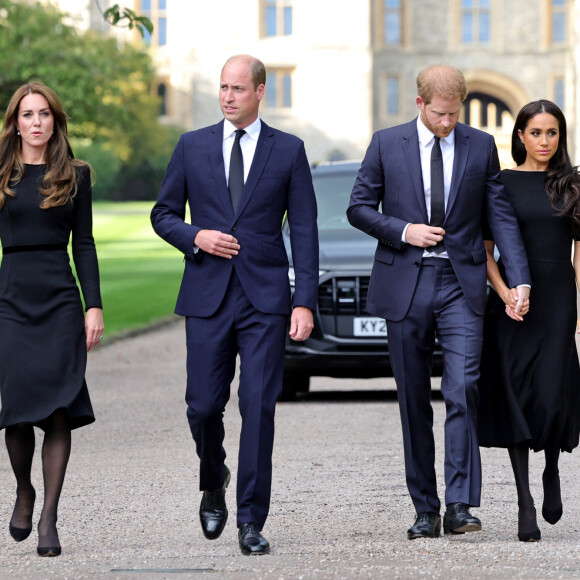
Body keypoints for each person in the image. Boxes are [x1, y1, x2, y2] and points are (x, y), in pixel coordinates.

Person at [347, 65, 531, 540]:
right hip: (405, 280)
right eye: (440, 113)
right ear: (420, 104)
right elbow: (359, 207)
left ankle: (460, 506)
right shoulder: (386, 143)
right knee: (413, 399)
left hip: (461, 283)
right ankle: (424, 509)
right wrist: (405, 231)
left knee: (464, 389)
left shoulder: (480, 145)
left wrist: (519, 279)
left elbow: (501, 217)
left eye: (454, 113)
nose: (448, 122)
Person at [151, 55, 318, 555]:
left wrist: (303, 302)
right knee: (202, 406)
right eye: (223, 87)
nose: (227, 96)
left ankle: (251, 520)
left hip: (265, 299)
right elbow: (162, 214)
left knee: (258, 407)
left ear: (260, 91)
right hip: (206, 296)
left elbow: (306, 231)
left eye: (238, 88)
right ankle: (212, 474)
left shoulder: (288, 151)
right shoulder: (192, 145)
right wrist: (195, 234)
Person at [0, 83, 103, 557]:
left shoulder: (75, 176)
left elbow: (83, 244)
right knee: (18, 412)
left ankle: (48, 517)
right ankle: (24, 489)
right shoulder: (1, 172)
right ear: (16, 122)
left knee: (58, 410)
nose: (36, 122)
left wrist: (93, 305)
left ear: (55, 121)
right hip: (11, 299)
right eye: (28, 115)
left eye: (44, 114)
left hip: (60, 300)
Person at [478, 100, 580, 542]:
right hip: (513, 304)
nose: (544, 141)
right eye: (536, 132)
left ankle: (552, 467)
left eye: (552, 133)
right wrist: (504, 295)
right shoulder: (499, 184)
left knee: (552, 393)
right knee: (516, 393)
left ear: (560, 137)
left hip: (558, 301)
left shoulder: (572, 184)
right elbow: (484, 253)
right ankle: (523, 500)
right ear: (520, 135)